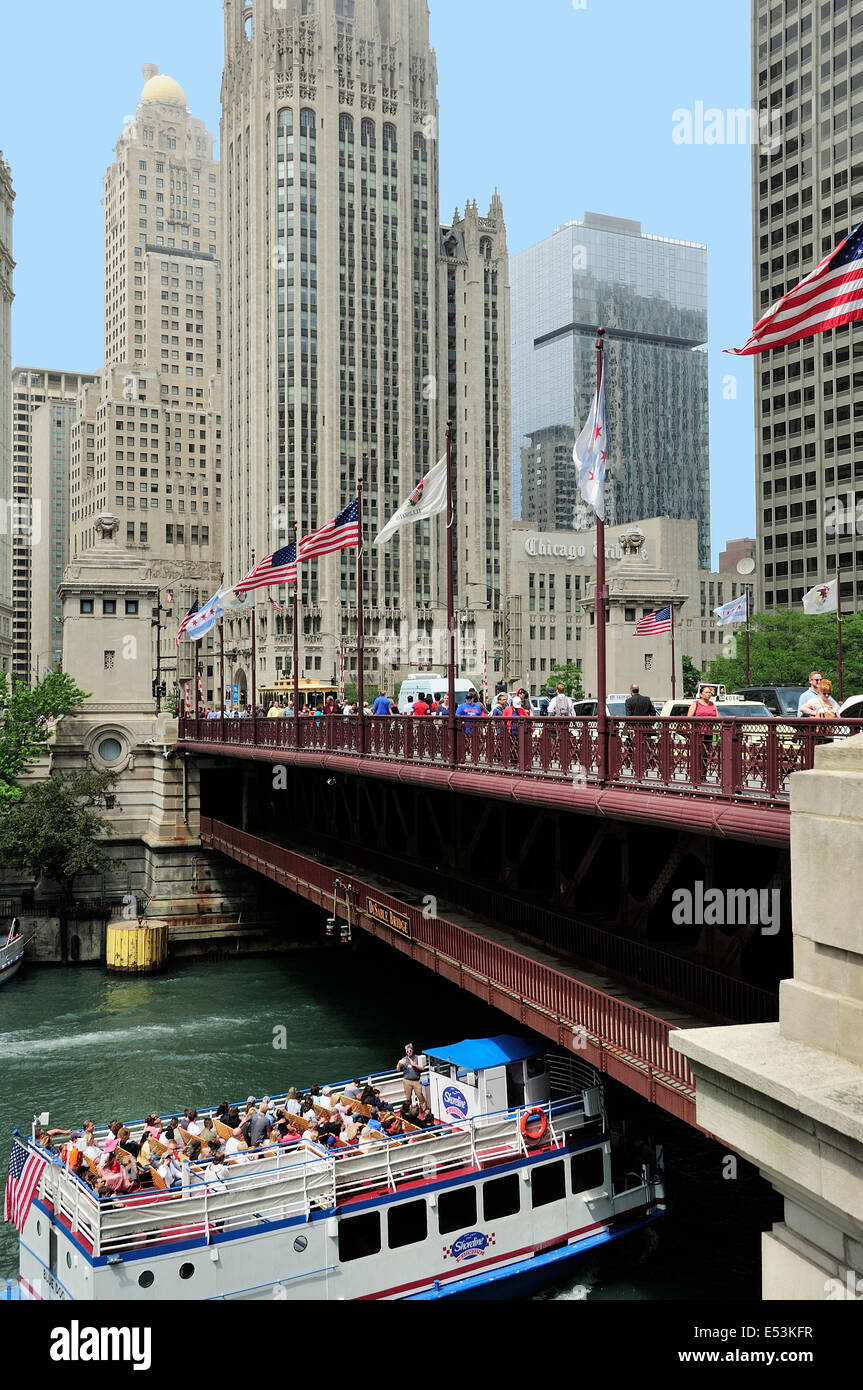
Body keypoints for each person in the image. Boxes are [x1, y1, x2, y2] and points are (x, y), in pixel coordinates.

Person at [396, 1043, 425, 1108]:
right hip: (407, 1081)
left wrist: (414, 1065)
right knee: (408, 1098)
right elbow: (398, 1069)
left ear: (412, 1050)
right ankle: (410, 1111)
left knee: (420, 1096)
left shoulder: (417, 1058)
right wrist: (399, 1063)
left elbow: (422, 1068)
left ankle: (425, 1110)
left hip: (416, 1081)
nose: (409, 1052)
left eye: (410, 1051)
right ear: (406, 1052)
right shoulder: (404, 1059)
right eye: (407, 1051)